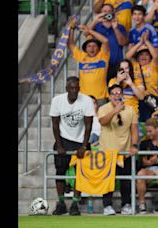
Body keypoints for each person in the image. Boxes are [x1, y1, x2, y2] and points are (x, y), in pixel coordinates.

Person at [49, 76, 95, 215]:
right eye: (71, 88)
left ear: (79, 89)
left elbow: (88, 125)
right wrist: (59, 145)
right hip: (63, 138)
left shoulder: (86, 101)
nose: (74, 91)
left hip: (80, 139)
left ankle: (75, 203)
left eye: (76, 88)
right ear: (66, 89)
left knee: (80, 174)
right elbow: (55, 124)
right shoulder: (57, 100)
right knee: (60, 172)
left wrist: (83, 146)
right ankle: (61, 202)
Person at [97, 84, 140, 215]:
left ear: (122, 95)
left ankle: (126, 204)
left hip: (125, 152)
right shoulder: (103, 108)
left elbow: (134, 130)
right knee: (107, 180)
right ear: (109, 96)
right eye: (114, 93)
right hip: (107, 152)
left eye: (119, 93)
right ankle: (107, 206)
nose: (116, 96)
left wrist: (134, 145)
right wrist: (115, 110)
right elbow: (103, 121)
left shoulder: (130, 109)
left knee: (126, 181)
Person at [68, 20, 111, 107]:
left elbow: (105, 41)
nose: (92, 48)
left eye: (94, 46)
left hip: (100, 98)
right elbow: (70, 44)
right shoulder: (81, 57)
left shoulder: (103, 56)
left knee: (100, 120)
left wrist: (89, 30)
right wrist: (71, 29)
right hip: (84, 98)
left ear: (98, 48)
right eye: (89, 46)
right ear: (85, 49)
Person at [87, 4, 128, 85]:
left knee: (117, 89)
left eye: (109, 11)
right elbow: (86, 32)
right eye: (104, 11)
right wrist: (96, 20)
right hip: (101, 64)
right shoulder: (97, 26)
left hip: (116, 64)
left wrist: (115, 28)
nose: (107, 13)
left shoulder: (120, 27)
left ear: (113, 12)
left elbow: (122, 43)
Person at [126, 30, 158, 122]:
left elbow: (156, 56)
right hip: (139, 99)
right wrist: (140, 43)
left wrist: (147, 41)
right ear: (137, 57)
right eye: (141, 54)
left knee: (153, 122)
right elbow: (127, 57)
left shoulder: (153, 65)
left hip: (153, 98)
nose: (143, 56)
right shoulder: (134, 66)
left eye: (146, 54)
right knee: (141, 124)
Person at [137, 118, 158, 214]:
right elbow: (144, 162)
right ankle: (142, 204)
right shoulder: (144, 143)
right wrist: (151, 162)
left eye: (150, 131)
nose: (148, 134)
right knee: (140, 175)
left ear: (157, 129)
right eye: (147, 131)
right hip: (150, 168)